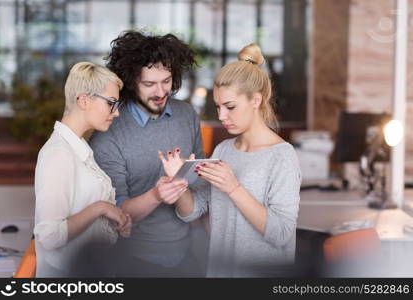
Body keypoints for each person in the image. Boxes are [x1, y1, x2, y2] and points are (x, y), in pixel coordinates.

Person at [159, 43, 302, 277]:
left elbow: (282, 233)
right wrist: (179, 182)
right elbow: (192, 211)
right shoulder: (223, 150)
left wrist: (233, 188)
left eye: (230, 107)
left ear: (256, 100)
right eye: (218, 107)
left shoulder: (282, 156)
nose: (221, 116)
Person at [89, 30, 205, 277]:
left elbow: (200, 187)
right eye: (149, 84)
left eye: (167, 81)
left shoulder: (186, 115)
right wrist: (156, 195)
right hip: (131, 262)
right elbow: (113, 215)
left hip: (187, 256)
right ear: (131, 82)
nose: (161, 92)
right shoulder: (110, 131)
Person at [34, 62, 132, 277]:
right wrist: (101, 208)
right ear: (84, 100)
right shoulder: (58, 154)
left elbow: (83, 214)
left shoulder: (79, 148)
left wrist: (112, 222)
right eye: (111, 103)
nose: (116, 113)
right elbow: (49, 235)